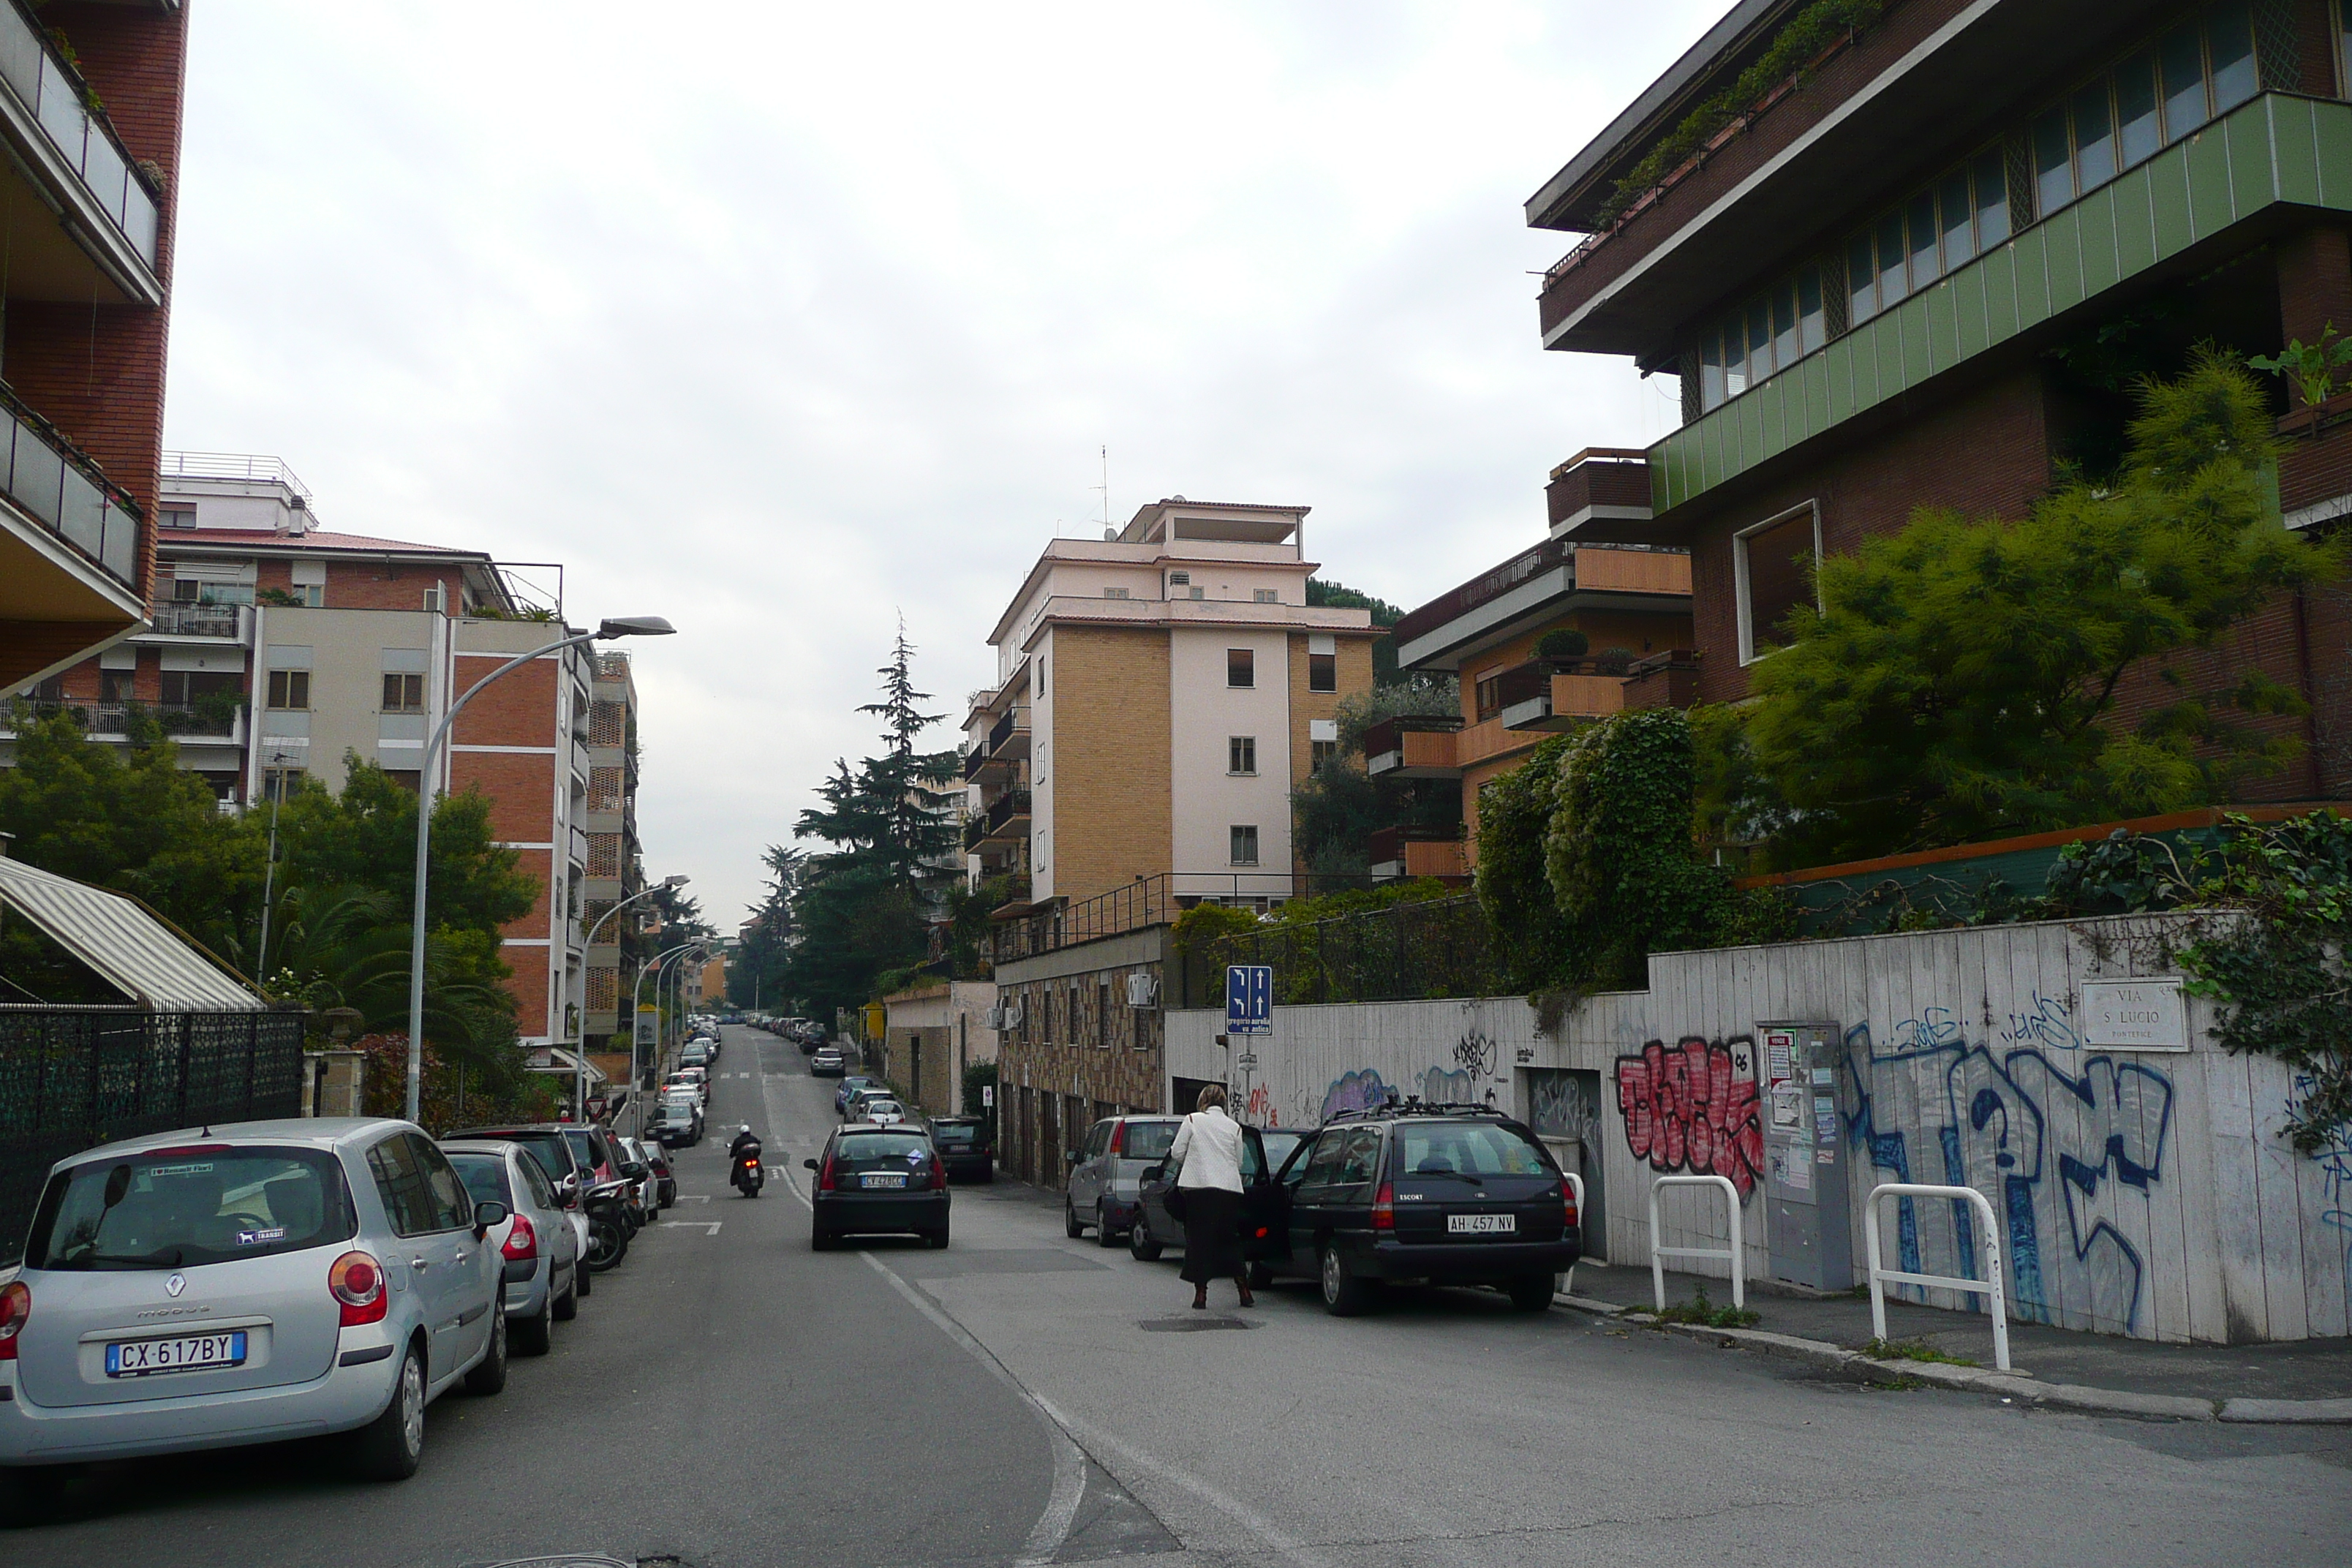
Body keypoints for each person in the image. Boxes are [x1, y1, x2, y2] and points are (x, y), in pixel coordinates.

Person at [1167, 1085, 1252, 1311]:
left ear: (1202, 1100)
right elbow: (1240, 1162)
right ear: (1224, 1103)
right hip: (1228, 1190)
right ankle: (1244, 1290)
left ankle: (1201, 1295)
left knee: (1198, 1241)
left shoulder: (1193, 1120)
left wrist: (1194, 1160)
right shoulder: (1234, 1128)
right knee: (1230, 1240)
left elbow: (1176, 1153)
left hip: (1199, 1189)